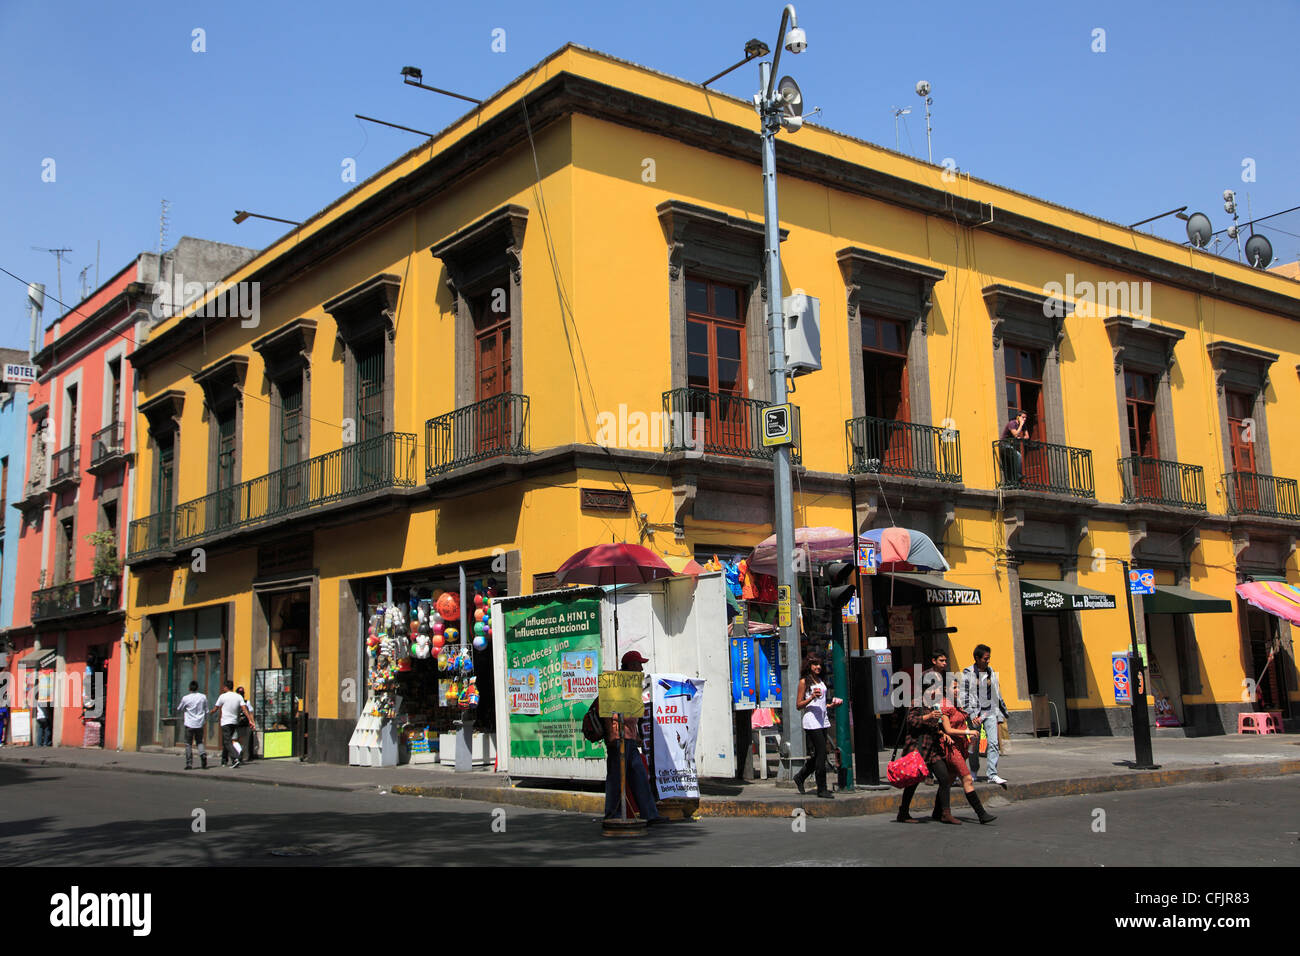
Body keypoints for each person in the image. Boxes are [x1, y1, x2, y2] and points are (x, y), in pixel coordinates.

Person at [594, 650, 663, 826]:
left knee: (639, 775)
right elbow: (607, 709)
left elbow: (633, 712)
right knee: (617, 778)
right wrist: (610, 733)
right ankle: (612, 815)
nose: (641, 668)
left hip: (630, 738)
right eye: (639, 664)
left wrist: (637, 735)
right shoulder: (616, 683)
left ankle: (650, 813)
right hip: (618, 738)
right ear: (631, 666)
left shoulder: (633, 685)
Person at [934, 659, 996, 824]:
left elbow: (963, 720)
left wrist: (972, 726)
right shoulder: (944, 705)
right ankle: (981, 814)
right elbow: (948, 729)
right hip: (951, 748)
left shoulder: (957, 704)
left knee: (947, 780)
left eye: (957, 687)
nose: (957, 690)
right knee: (967, 779)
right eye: (953, 687)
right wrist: (967, 731)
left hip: (962, 747)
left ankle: (938, 811)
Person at [894, 677, 959, 825]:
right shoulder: (917, 702)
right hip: (919, 750)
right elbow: (911, 721)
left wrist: (943, 733)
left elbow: (935, 727)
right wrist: (928, 716)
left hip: (933, 749)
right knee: (913, 783)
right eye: (934, 689)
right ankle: (903, 813)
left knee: (944, 778)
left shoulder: (934, 705)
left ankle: (943, 813)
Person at [793, 655, 842, 798]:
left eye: (819, 664)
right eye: (815, 664)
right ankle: (822, 788)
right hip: (811, 721)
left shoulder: (820, 680)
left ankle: (800, 776)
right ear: (809, 665)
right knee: (821, 754)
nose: (818, 667)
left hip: (822, 719)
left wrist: (830, 705)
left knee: (820, 754)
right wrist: (811, 697)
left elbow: (821, 704)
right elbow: (798, 705)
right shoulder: (804, 682)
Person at [961, 644, 1008, 787]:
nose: (988, 661)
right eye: (985, 658)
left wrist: (1001, 713)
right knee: (973, 745)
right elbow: (964, 695)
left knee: (993, 743)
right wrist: (971, 713)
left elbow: (996, 692)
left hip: (990, 712)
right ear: (977, 658)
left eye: (989, 658)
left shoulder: (990, 671)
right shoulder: (968, 673)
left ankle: (992, 774)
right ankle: (973, 771)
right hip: (975, 714)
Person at [211, 680, 255, 768]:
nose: (223, 688)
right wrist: (250, 720)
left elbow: (216, 708)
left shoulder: (222, 696)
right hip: (234, 722)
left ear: (226, 687)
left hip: (225, 722)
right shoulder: (238, 697)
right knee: (227, 741)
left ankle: (235, 758)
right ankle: (224, 760)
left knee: (227, 741)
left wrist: (210, 712)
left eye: (224, 687)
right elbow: (244, 709)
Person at [176, 680, 209, 770]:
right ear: (197, 688)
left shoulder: (186, 698)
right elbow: (206, 710)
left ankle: (189, 763)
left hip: (189, 724)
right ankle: (202, 754)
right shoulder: (203, 697)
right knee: (199, 741)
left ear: (189, 688)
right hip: (199, 724)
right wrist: (204, 720)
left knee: (188, 744)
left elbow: (179, 708)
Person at [999, 410, 1029, 485]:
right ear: (1018, 417)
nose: (1024, 419)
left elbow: (1027, 436)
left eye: (1025, 418)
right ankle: (1018, 476)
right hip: (1004, 445)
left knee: (1013, 461)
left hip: (1011, 446)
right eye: (1023, 417)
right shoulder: (1012, 423)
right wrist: (1021, 425)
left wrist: (1020, 437)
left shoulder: (1024, 425)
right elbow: (1015, 434)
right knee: (1018, 456)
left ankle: (1013, 481)